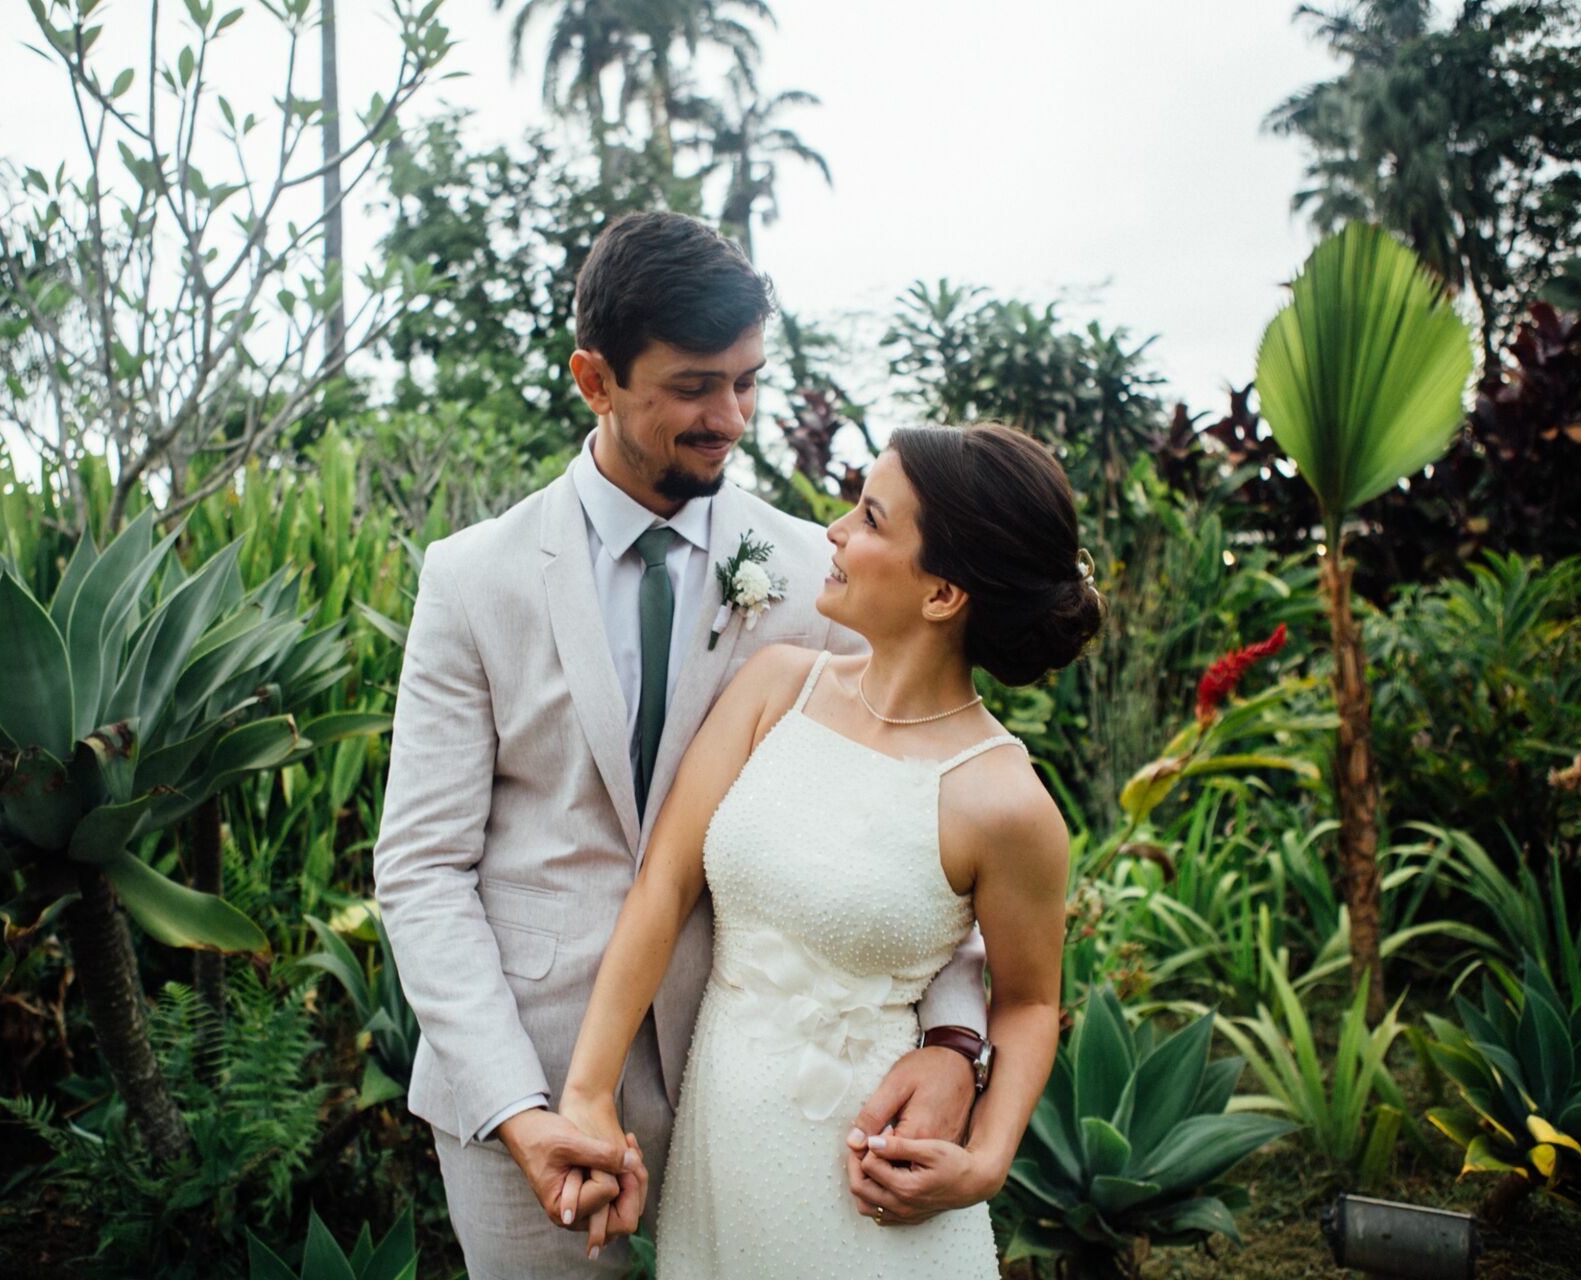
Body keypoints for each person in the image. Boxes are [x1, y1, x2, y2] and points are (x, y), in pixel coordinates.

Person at [372, 211, 993, 1278]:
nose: (732, 417)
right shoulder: (473, 580)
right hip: (534, 1086)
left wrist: (952, 1039)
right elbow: (422, 869)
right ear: (595, 378)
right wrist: (520, 1107)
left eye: (748, 381)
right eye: (696, 385)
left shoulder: (819, 574)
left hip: (769, 1091)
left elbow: (919, 803)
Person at [556, 423, 1102, 1276]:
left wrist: (987, 1158)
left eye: (872, 519)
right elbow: (663, 885)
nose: (834, 533)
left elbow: (1030, 1002)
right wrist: (587, 1089)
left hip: (872, 1179)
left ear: (942, 595)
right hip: (721, 1153)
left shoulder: (1004, 802)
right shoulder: (778, 685)